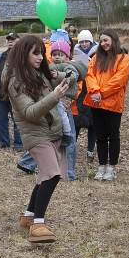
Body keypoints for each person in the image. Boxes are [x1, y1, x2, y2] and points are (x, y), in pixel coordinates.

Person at [6, 34, 71, 244]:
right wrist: (55, 96)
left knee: (45, 176)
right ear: (23, 54)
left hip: (51, 132)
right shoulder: (16, 81)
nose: (41, 57)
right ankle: (38, 225)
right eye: (36, 53)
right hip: (36, 135)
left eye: (42, 52)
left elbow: (75, 80)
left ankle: (28, 215)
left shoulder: (38, 74)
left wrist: (66, 77)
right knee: (52, 175)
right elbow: (30, 112)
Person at [84, 30, 129, 181]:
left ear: (114, 40)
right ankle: (101, 165)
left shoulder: (123, 58)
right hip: (96, 103)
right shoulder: (96, 58)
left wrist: (101, 93)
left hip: (113, 104)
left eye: (106, 40)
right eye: (101, 41)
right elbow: (89, 75)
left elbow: (119, 80)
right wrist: (95, 91)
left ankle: (112, 167)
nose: (103, 43)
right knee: (100, 136)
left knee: (113, 135)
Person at [49, 41, 85, 180]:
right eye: (55, 54)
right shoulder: (49, 66)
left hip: (65, 104)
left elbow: (72, 77)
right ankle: (30, 164)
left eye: (60, 54)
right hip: (52, 104)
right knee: (47, 136)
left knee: (68, 136)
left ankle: (69, 172)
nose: (57, 57)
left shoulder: (69, 66)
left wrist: (58, 75)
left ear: (66, 56)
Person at [0, 32, 24, 150]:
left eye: (13, 39)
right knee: (1, 119)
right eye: (8, 40)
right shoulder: (3, 55)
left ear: (19, 41)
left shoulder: (23, 56)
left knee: (17, 119)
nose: (10, 41)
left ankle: (18, 143)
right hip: (2, 93)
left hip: (16, 94)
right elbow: (0, 74)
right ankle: (4, 142)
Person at [73, 30, 97, 154]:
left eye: (86, 41)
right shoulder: (75, 54)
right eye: (81, 41)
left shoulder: (97, 53)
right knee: (77, 120)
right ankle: (72, 147)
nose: (84, 44)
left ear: (91, 41)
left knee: (93, 123)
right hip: (80, 90)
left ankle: (90, 150)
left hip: (93, 89)